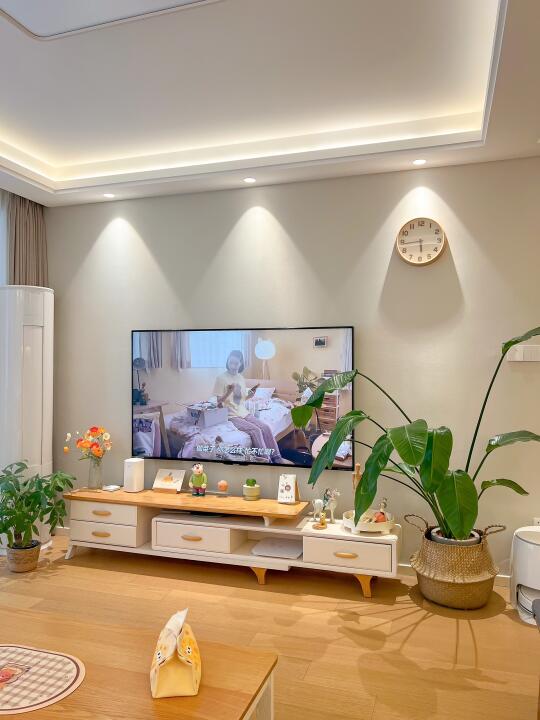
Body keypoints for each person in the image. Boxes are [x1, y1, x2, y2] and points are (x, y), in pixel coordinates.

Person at [214, 350, 282, 463]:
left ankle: (277, 458)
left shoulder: (241, 378)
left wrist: (250, 395)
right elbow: (218, 402)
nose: (233, 366)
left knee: (265, 428)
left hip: (243, 412)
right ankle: (267, 461)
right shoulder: (221, 378)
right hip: (230, 415)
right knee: (256, 431)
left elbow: (240, 399)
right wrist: (229, 392)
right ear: (227, 362)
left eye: (236, 363)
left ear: (241, 364)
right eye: (231, 363)